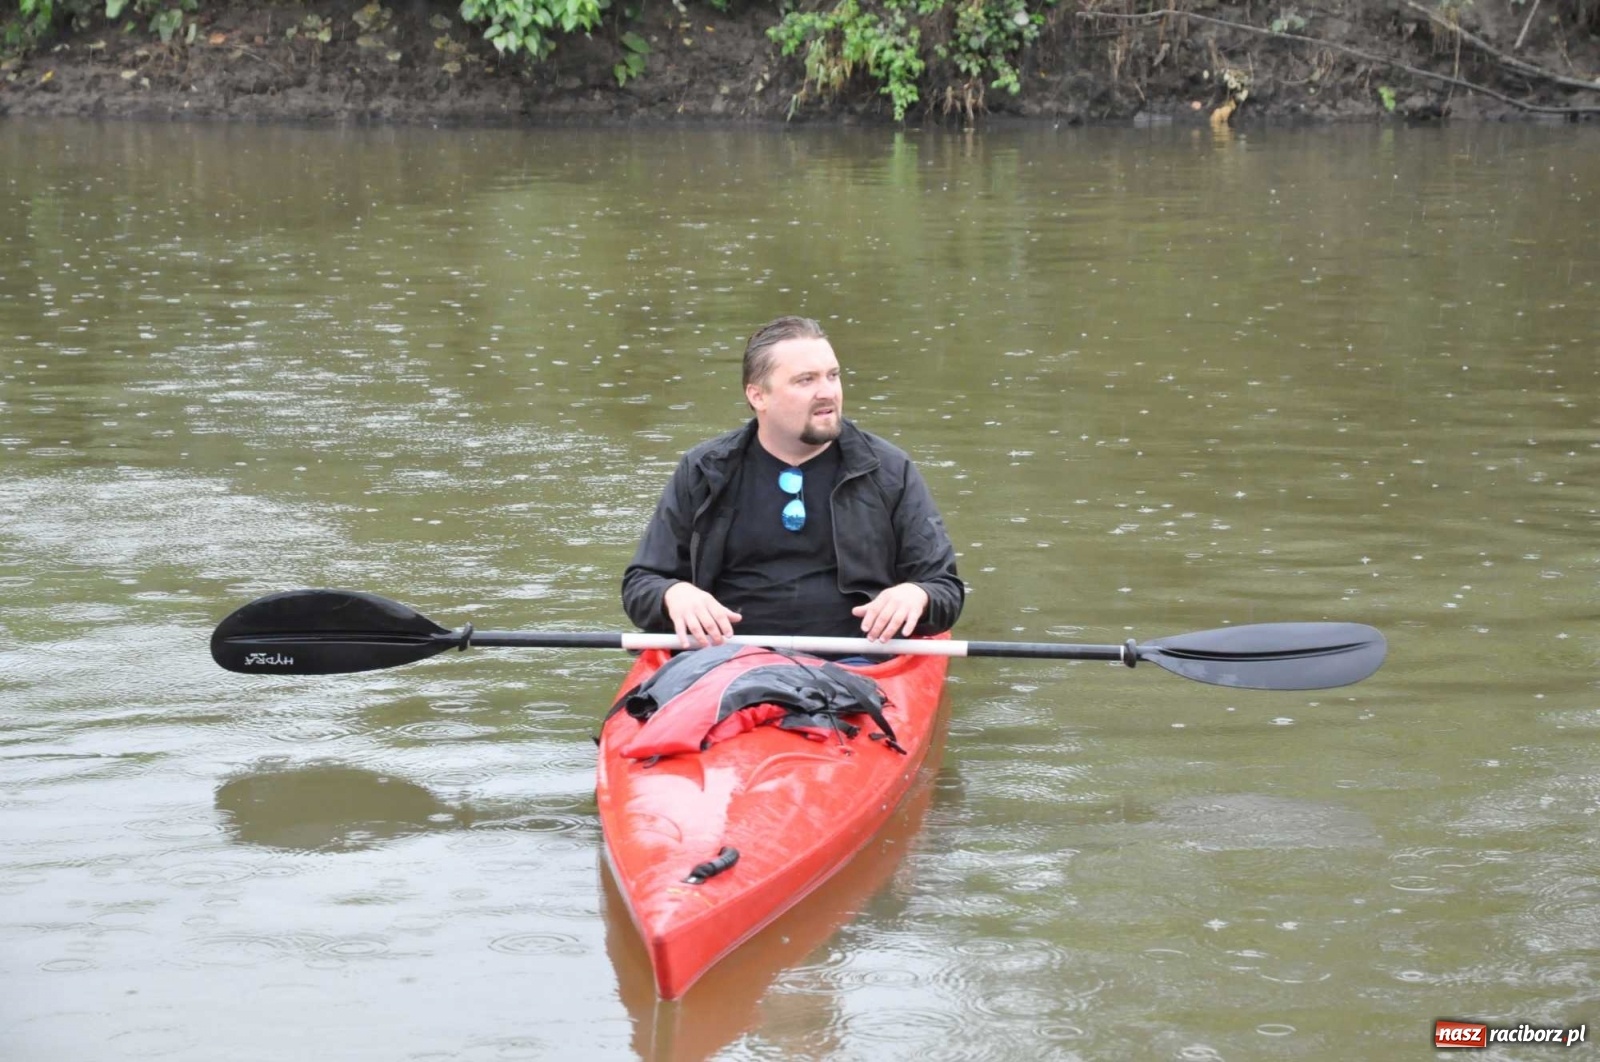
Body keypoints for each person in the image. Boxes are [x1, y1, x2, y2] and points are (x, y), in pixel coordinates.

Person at [622, 315, 964, 649]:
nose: (827, 392)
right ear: (758, 396)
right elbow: (640, 586)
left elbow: (945, 589)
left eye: (833, 376)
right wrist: (673, 593)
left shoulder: (890, 471)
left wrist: (917, 593)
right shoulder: (705, 470)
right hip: (723, 661)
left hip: (858, 663)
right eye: (806, 380)